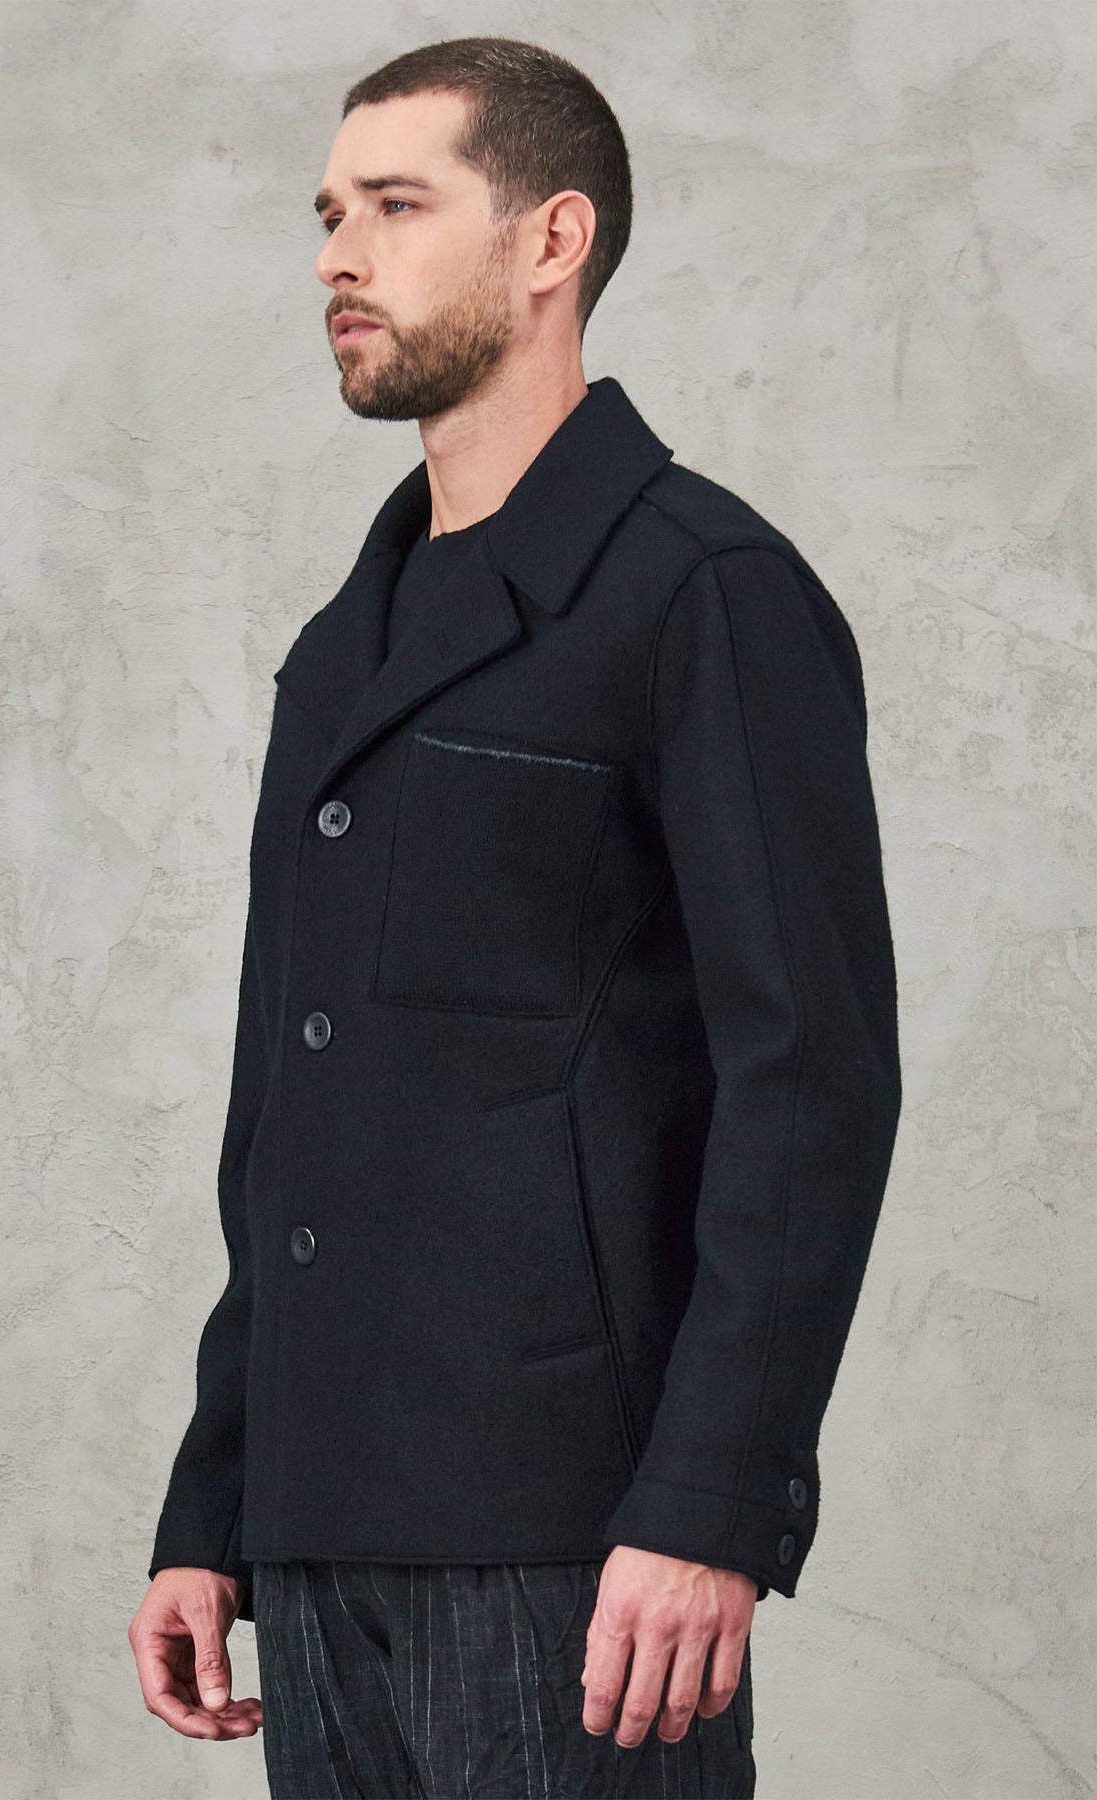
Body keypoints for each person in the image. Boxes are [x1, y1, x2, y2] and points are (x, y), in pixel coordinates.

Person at [128, 34, 902, 1800]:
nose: (338, 256)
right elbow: (287, 1111)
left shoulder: (705, 592)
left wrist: (710, 1504)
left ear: (553, 239)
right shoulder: (342, 649)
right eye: (328, 213)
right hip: (323, 1530)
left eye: (397, 206)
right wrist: (214, 1506)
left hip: (578, 1541)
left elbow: (810, 1084)